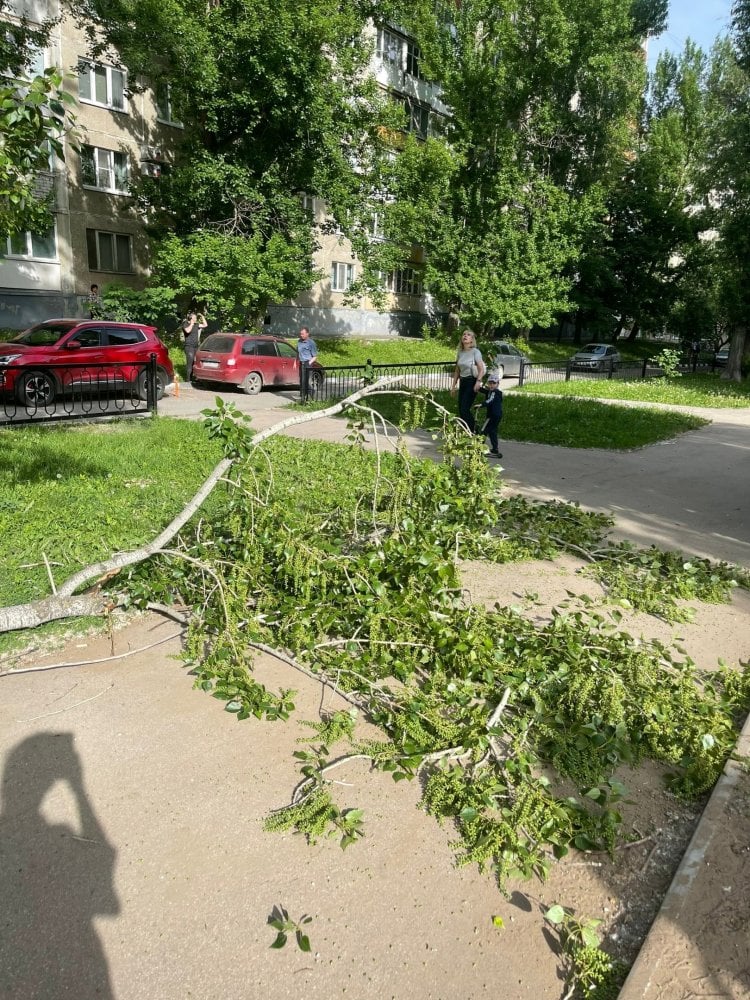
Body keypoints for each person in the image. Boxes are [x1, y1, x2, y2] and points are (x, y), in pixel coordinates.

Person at [450, 329, 485, 432]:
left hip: (472, 381)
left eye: (468, 335)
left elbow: (481, 368)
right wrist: (453, 386)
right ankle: (468, 432)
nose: (465, 336)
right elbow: (457, 370)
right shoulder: (460, 352)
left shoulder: (475, 352)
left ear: (472, 340)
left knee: (465, 409)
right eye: (464, 334)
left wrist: (478, 382)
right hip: (463, 382)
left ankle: (475, 431)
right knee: (461, 410)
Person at [475, 372, 503, 458]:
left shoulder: (495, 392)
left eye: (494, 383)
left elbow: (490, 400)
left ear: (498, 384)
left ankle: (479, 448)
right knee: (492, 432)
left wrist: (481, 405)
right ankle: (495, 449)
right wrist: (477, 385)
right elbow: (483, 390)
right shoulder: (489, 391)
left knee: (484, 431)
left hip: (492, 416)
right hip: (497, 415)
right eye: (490, 383)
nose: (491, 385)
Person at [182, 303, 208, 383]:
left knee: (195, 362)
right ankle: (188, 380)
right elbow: (187, 331)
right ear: (191, 318)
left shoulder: (197, 325)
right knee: (190, 363)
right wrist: (191, 324)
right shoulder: (185, 324)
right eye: (195, 318)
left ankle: (194, 378)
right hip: (189, 346)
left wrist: (202, 317)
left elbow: (205, 325)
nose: (196, 319)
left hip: (196, 346)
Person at [296, 326, 318, 402]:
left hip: (307, 363)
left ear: (307, 334)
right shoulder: (299, 341)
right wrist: (295, 362)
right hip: (301, 363)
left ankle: (310, 398)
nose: (301, 335)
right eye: (300, 334)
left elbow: (315, 356)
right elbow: (298, 353)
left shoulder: (311, 343)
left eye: (302, 334)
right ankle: (303, 398)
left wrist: (308, 363)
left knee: (307, 381)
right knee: (302, 381)